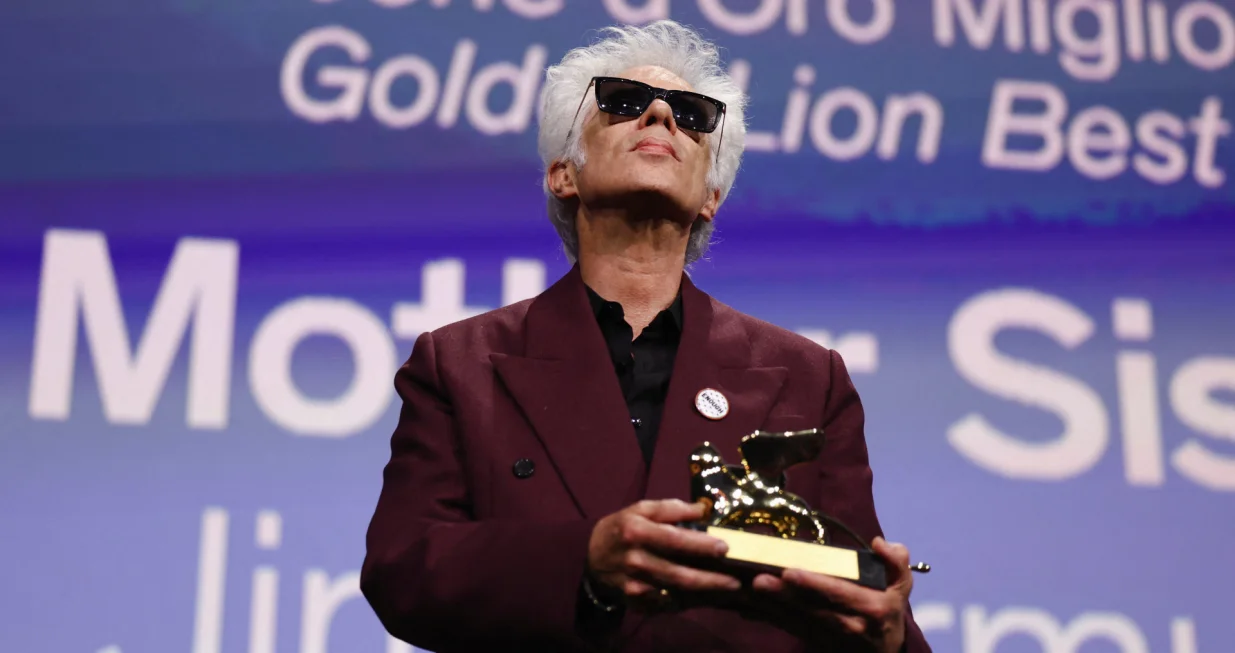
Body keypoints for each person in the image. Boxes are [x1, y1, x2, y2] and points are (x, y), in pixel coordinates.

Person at [361, 20, 931, 653]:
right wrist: (587, 562)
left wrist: (889, 638)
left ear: (711, 196)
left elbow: (860, 599)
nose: (661, 114)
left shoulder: (809, 378)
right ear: (562, 176)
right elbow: (404, 567)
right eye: (623, 102)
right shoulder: (458, 365)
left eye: (692, 114)